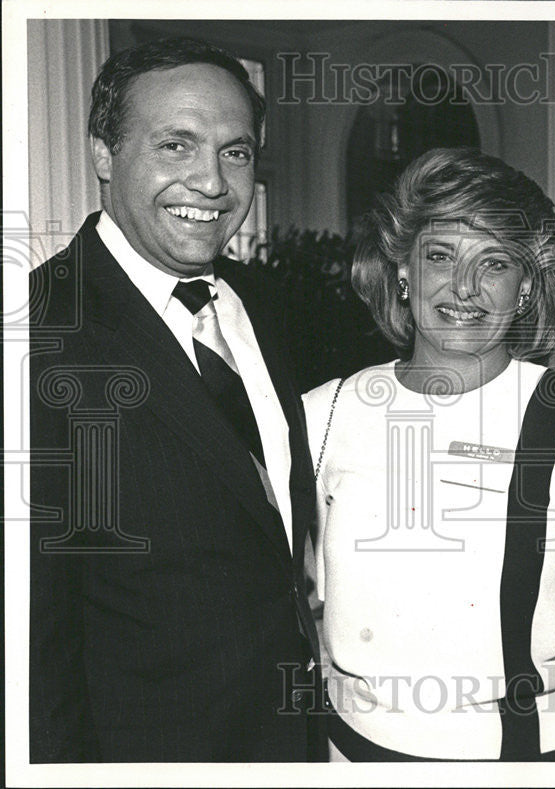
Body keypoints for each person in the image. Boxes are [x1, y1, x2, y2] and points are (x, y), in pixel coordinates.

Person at [29, 37, 324, 762]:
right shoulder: (39, 335)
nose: (212, 183)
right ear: (103, 153)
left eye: (236, 152)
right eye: (176, 145)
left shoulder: (261, 300)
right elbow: (34, 639)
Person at [304, 147, 555, 762]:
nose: (464, 289)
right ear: (402, 270)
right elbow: (300, 601)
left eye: (494, 263)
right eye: (440, 256)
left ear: (526, 287)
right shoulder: (327, 411)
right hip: (352, 750)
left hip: (531, 753)